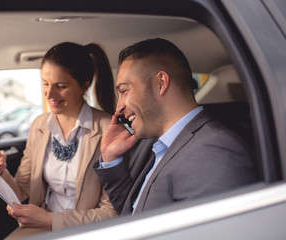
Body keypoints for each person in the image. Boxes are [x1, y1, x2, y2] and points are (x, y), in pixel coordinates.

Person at [94, 38, 257, 215]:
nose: (119, 107)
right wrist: (111, 158)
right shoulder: (168, 145)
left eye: (125, 90)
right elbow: (137, 212)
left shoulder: (211, 151)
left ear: (161, 83)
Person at [0, 42, 118, 238]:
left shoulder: (108, 129)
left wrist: (49, 220)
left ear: (84, 85)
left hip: (87, 231)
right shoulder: (39, 126)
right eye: (45, 83)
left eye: (60, 86)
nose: (49, 94)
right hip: (42, 228)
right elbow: (21, 191)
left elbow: (111, 213)